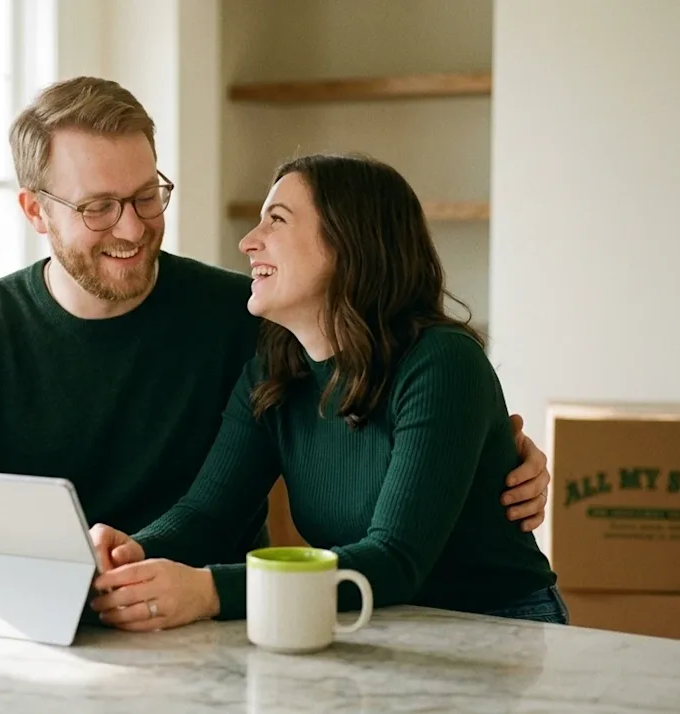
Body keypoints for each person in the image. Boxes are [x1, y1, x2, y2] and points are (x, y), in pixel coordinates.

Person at [0, 76, 552, 597]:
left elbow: (397, 412)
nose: (132, 226)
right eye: (99, 206)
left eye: (147, 196)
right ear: (35, 212)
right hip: (86, 601)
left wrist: (497, 453)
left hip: (222, 612)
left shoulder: (248, 319)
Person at [87, 154, 567, 630]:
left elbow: (394, 559)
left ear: (348, 242)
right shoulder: (273, 372)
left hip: (500, 625)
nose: (248, 242)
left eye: (276, 220)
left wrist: (209, 591)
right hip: (376, 622)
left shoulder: (442, 363)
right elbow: (209, 515)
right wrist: (133, 553)